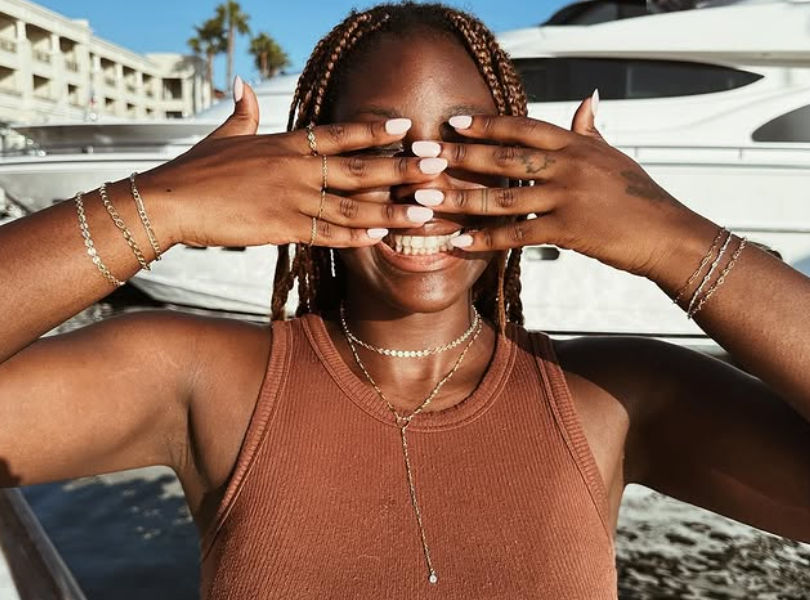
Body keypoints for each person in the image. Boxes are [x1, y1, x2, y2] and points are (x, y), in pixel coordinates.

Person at [1, 3, 808, 598]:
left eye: (469, 147)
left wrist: (674, 239)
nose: (427, 185)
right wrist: (160, 206)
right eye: (383, 149)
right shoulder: (198, 379)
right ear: (309, 160)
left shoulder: (619, 400)